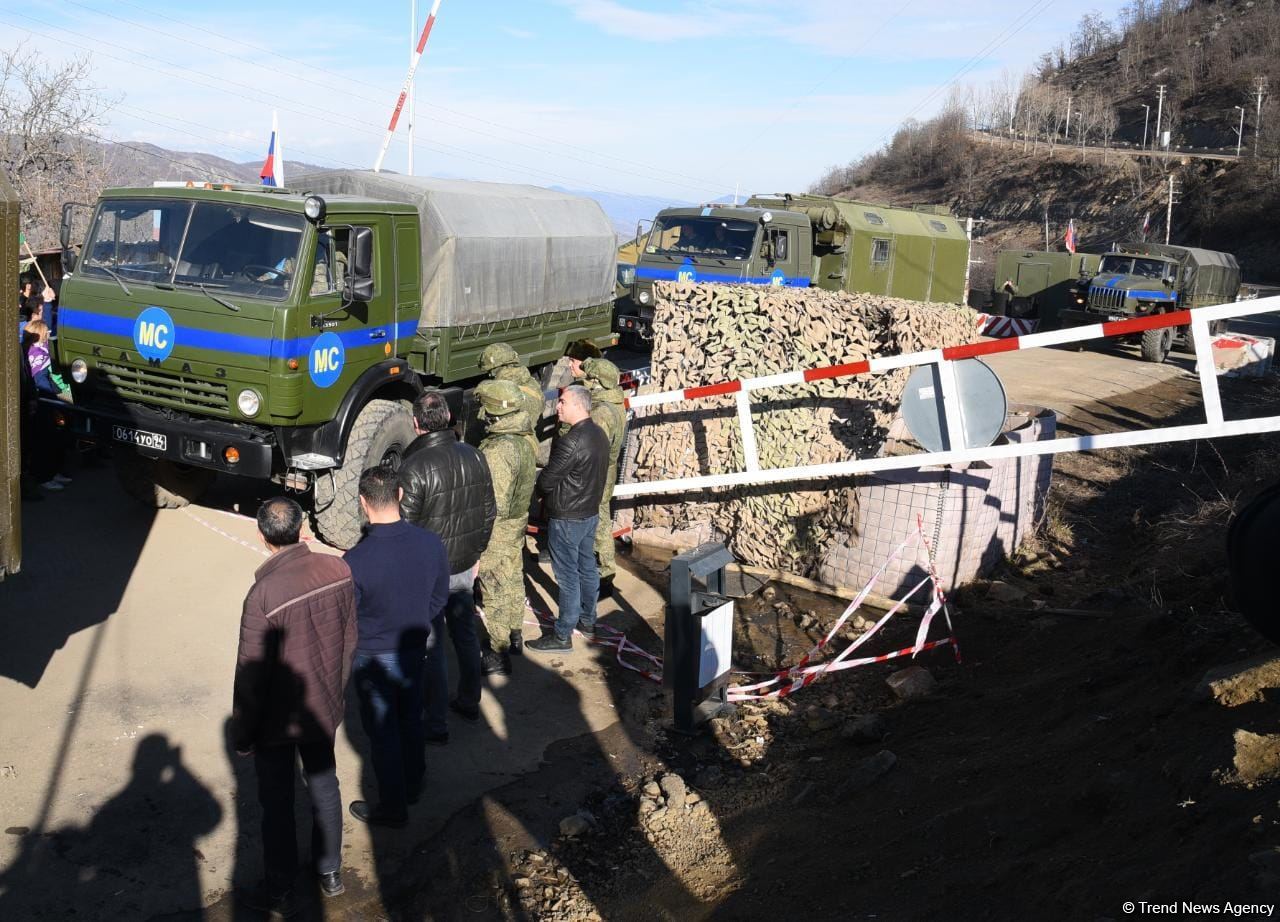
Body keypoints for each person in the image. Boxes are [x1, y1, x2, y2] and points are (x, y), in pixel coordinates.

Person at [231, 497, 357, 914]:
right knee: (325, 786)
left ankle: (280, 885)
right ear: (302, 529)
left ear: (263, 536)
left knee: (278, 803)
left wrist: (244, 735)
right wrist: (335, 693)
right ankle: (330, 871)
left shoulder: (263, 594)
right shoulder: (338, 569)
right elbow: (349, 640)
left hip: (276, 724)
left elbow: (251, 676)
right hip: (322, 705)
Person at [343, 467, 449, 827]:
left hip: (373, 656)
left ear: (363, 503)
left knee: (383, 734)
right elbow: (439, 597)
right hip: (414, 648)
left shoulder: (355, 562)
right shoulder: (431, 544)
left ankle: (392, 807)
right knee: (410, 717)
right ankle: (414, 783)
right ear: (401, 495)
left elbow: (348, 618)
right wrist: (419, 620)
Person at [398, 391, 496, 739]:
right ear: (449, 418)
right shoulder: (475, 456)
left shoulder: (413, 468)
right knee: (465, 634)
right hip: (465, 564)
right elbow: (488, 511)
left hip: (429, 572)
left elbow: (404, 528)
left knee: (433, 646)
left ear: (415, 423)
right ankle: (470, 701)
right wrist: (478, 553)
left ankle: (435, 722)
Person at [528, 385, 609, 653]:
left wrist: (538, 495)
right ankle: (588, 621)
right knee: (587, 568)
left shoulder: (572, 441)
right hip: (589, 514)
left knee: (568, 576)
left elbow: (548, 479)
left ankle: (562, 635)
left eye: (562, 402)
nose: (558, 406)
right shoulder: (599, 434)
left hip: (567, 517)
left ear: (578, 405)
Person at [474, 380, 538, 675]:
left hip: (499, 527)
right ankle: (514, 634)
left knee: (495, 585)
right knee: (513, 576)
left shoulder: (499, 450)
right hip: (516, 521)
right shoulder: (524, 438)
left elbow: (493, 501)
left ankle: (497, 653)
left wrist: (478, 538)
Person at [581, 357, 626, 598]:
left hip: (598, 475)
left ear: (596, 382)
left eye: (588, 378)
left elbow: (595, 449)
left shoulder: (600, 413)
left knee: (599, 523)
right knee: (602, 519)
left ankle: (604, 574)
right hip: (608, 471)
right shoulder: (616, 403)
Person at [477, 342, 543, 455]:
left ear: (494, 369)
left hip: (507, 448)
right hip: (529, 444)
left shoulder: (499, 391)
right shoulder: (531, 383)